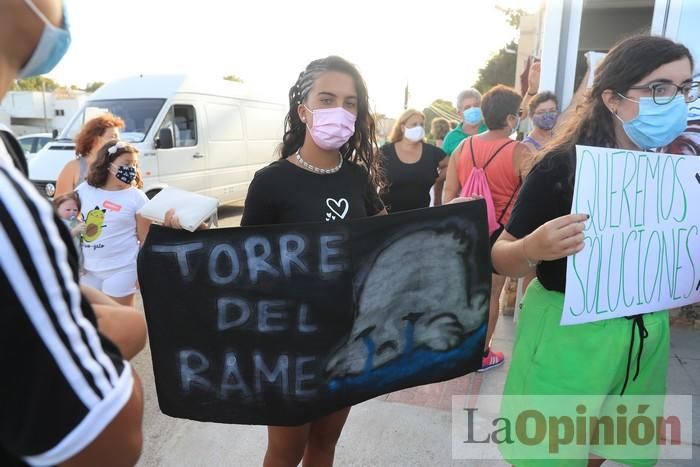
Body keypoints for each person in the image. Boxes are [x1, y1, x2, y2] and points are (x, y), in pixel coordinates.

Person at [491, 35, 696, 466]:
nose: (676, 100)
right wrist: (534, 247)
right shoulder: (560, 166)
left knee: (601, 448)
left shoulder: (675, 173)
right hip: (568, 336)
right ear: (613, 98)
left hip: (642, 336)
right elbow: (499, 254)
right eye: (660, 89)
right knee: (551, 452)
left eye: (684, 88)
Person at [0, 0, 144, 465]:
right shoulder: (70, 180)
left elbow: (141, 225)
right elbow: (105, 430)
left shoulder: (131, 189)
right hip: (88, 263)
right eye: (109, 145)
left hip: (110, 267)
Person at [241, 55, 385, 467]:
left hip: (346, 338)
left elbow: (389, 238)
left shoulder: (358, 178)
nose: (340, 110)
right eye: (327, 99)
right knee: (285, 453)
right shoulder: (270, 183)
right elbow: (241, 266)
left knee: (325, 445)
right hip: (288, 346)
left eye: (350, 102)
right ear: (303, 110)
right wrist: (183, 241)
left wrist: (455, 219)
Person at [443, 85, 532, 372]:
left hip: (466, 228)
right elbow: (531, 199)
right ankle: (482, 353)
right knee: (492, 293)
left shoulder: (462, 146)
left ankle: (457, 346)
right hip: (501, 233)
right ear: (509, 119)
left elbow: (449, 191)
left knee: (465, 290)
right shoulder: (520, 152)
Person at [77, 140, 151, 307]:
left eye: (134, 164)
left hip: (123, 269)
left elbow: (145, 240)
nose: (131, 169)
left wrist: (142, 273)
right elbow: (69, 220)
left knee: (119, 323)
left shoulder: (137, 198)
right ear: (108, 165)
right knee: (92, 322)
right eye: (126, 163)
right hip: (87, 270)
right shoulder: (84, 190)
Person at [379, 109, 448, 212]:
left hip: (420, 218)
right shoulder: (386, 151)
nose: (418, 128)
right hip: (388, 217)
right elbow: (371, 180)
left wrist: (437, 179)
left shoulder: (432, 152)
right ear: (403, 128)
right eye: (414, 124)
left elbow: (450, 165)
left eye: (421, 125)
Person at [55, 113, 124, 197]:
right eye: (113, 136)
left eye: (118, 137)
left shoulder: (119, 167)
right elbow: (60, 205)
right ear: (95, 140)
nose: (118, 141)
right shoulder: (73, 168)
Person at [442, 88, 488, 157]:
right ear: (459, 113)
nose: (472, 109)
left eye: (476, 105)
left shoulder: (491, 129)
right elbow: (444, 166)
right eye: (467, 108)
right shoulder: (451, 138)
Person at [53, 191, 84, 260]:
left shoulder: (76, 222)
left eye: (75, 210)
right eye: (68, 210)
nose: (72, 212)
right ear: (57, 209)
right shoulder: (57, 223)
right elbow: (60, 238)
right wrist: (75, 231)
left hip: (77, 258)